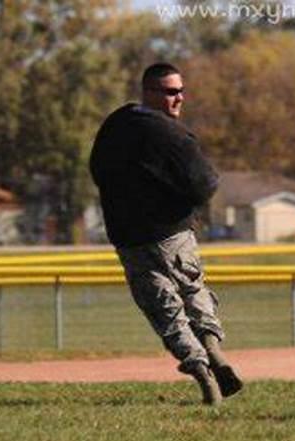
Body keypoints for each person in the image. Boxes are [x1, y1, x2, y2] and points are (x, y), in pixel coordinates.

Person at [89, 62, 242, 405]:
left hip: (130, 238)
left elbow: (98, 171)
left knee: (165, 311)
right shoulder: (173, 135)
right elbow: (205, 185)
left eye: (181, 91)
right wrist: (177, 203)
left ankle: (205, 375)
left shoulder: (114, 126)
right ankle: (214, 353)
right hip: (173, 235)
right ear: (150, 92)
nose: (180, 98)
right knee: (193, 291)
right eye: (172, 92)